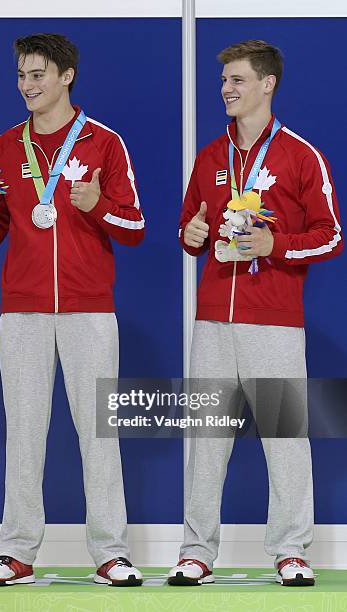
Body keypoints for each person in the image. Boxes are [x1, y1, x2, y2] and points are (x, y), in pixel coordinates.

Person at [0, 33, 145, 587]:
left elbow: (135, 226)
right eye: (20, 75)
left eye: (37, 74)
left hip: (89, 310)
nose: (27, 86)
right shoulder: (6, 146)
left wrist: (97, 206)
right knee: (24, 433)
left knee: (99, 435)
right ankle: (15, 551)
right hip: (23, 311)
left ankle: (111, 552)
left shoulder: (104, 143)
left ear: (66, 76)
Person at [168, 39, 342, 587]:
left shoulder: (300, 155)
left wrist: (276, 244)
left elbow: (331, 236)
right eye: (224, 81)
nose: (226, 89)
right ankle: (196, 551)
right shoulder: (210, 158)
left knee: (285, 438)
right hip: (214, 319)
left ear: (268, 84)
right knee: (206, 439)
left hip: (274, 320)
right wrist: (191, 235)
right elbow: (188, 228)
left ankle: (290, 550)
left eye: (238, 80)